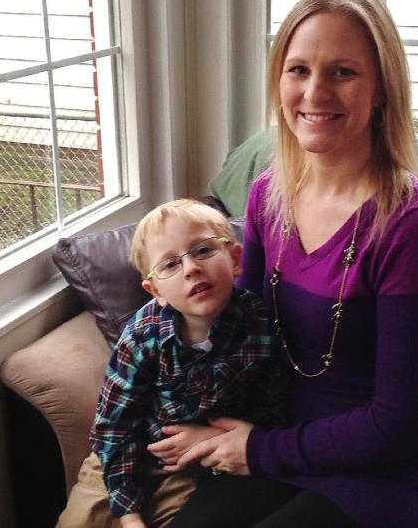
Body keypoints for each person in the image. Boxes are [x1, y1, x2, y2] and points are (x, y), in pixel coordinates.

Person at [154, 0, 418, 528]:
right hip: (293, 438)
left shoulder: (416, 226)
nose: (315, 93)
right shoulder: (268, 195)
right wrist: (165, 397)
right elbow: (245, 334)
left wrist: (259, 450)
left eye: (342, 72)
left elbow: (406, 422)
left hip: (413, 469)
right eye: (298, 70)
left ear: (382, 89)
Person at [58, 199, 286, 528]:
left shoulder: (260, 325)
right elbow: (114, 427)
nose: (191, 268)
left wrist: (212, 438)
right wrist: (130, 515)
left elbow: (272, 407)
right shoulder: (142, 336)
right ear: (156, 291)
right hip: (123, 453)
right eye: (170, 265)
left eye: (204, 251)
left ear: (236, 259)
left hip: (192, 464)